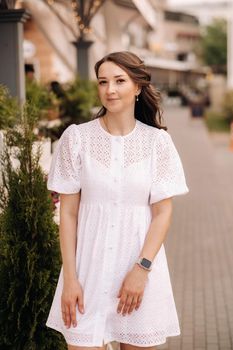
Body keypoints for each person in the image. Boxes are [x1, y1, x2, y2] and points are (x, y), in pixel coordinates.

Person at [46, 51, 189, 350]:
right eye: (103, 82)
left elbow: (163, 213)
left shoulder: (157, 143)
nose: (110, 89)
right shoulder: (76, 139)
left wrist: (141, 270)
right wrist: (70, 278)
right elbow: (68, 214)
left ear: (137, 87)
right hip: (87, 275)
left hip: (138, 276)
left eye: (119, 81)